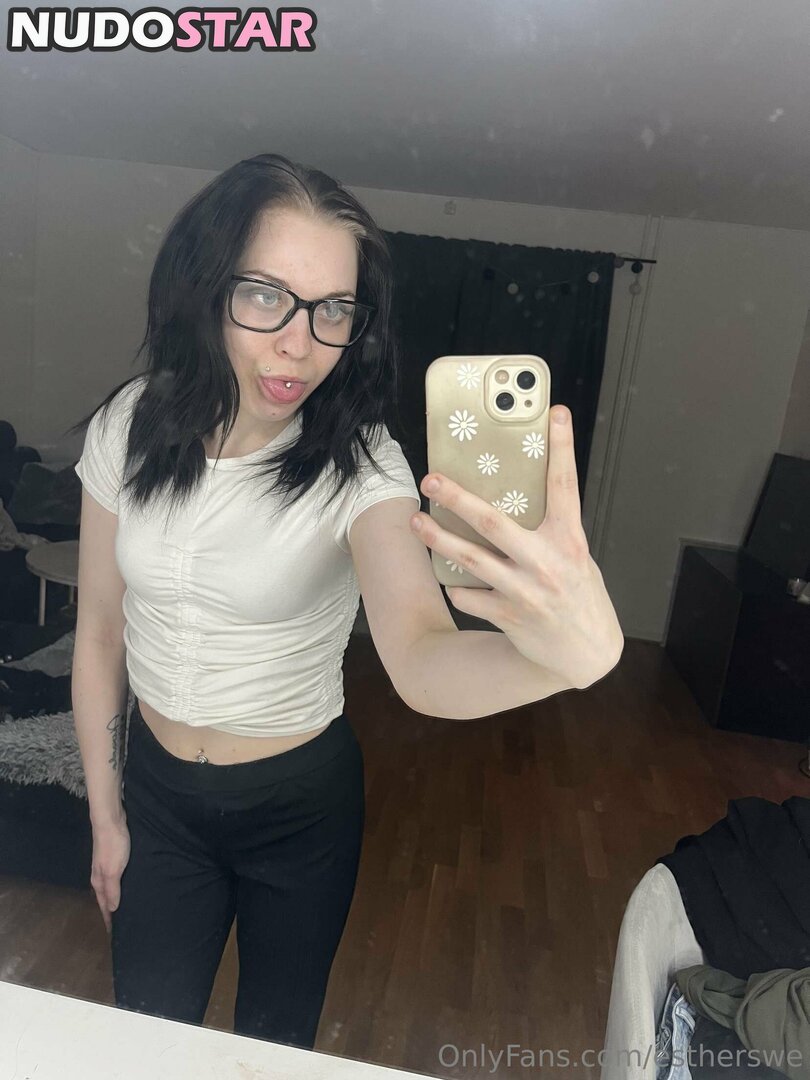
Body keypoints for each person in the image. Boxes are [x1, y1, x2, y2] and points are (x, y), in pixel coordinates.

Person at [70, 152, 623, 1050]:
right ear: (204, 288)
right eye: (266, 296)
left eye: (333, 310)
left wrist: (573, 658)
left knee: (274, 1045)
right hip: (158, 796)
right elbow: (99, 634)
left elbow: (421, 657)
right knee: (146, 1041)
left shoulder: (362, 467)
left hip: (298, 808)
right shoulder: (127, 426)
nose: (302, 343)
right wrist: (106, 814)